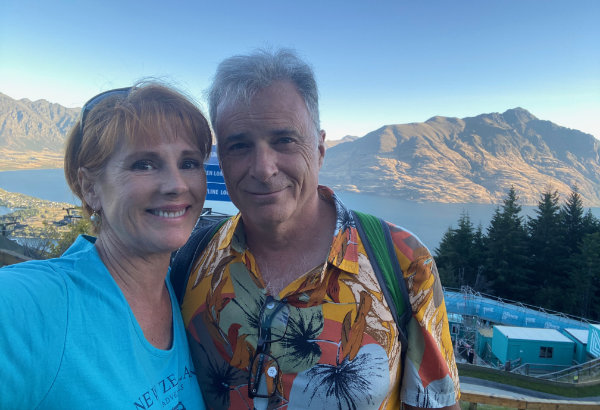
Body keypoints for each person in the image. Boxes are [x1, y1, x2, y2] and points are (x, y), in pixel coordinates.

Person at [177, 49, 460, 409]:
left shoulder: (404, 262)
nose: (263, 168)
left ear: (320, 148)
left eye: (284, 140)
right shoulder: (191, 257)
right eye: (239, 145)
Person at [0, 84, 212, 409]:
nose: (177, 185)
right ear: (90, 188)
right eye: (144, 164)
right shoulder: (38, 304)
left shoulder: (185, 292)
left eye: (189, 163)